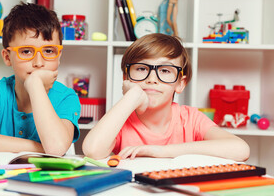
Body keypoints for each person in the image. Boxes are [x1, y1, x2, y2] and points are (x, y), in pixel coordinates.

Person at [82, 33, 250, 161]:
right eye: (141, 69)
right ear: (126, 78)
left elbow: (241, 149)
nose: (152, 79)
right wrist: (131, 97)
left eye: (165, 70)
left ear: (180, 83)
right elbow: (92, 150)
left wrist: (162, 151)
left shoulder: (190, 119)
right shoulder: (121, 119)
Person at [0, 2, 81, 156]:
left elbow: (56, 147)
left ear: (59, 56)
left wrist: (35, 85)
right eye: (26, 51)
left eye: (48, 51)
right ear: (7, 57)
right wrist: (37, 148)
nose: (38, 63)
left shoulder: (66, 97)